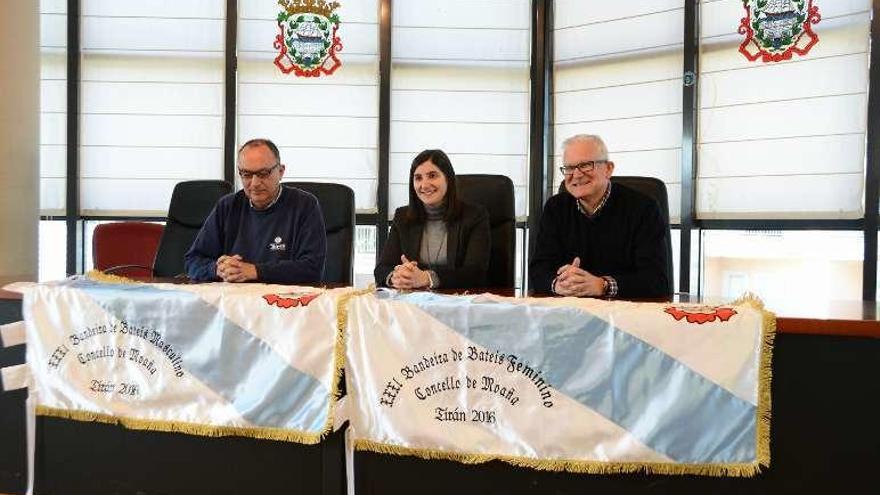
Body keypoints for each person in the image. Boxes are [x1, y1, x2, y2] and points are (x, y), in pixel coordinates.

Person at [529, 134, 671, 298]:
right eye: (569, 167)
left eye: (585, 165)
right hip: (567, 311)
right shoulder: (555, 207)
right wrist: (558, 284)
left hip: (626, 314)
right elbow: (538, 270)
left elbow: (655, 280)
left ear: (608, 169)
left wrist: (602, 285)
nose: (576, 174)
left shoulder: (644, 208)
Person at [184, 138, 326, 284]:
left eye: (263, 173)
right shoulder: (227, 206)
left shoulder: (304, 205)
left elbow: (312, 268)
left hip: (282, 302)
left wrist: (255, 271)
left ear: (281, 171)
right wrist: (217, 269)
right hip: (234, 301)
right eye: (246, 174)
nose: (255, 183)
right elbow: (193, 261)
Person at [375, 149, 490, 290]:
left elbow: (475, 273)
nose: (424, 185)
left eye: (432, 176)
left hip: (458, 303)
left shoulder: (474, 216)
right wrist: (396, 277)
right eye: (418, 178)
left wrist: (427, 278)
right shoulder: (403, 217)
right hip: (413, 305)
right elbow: (381, 269)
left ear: (448, 178)